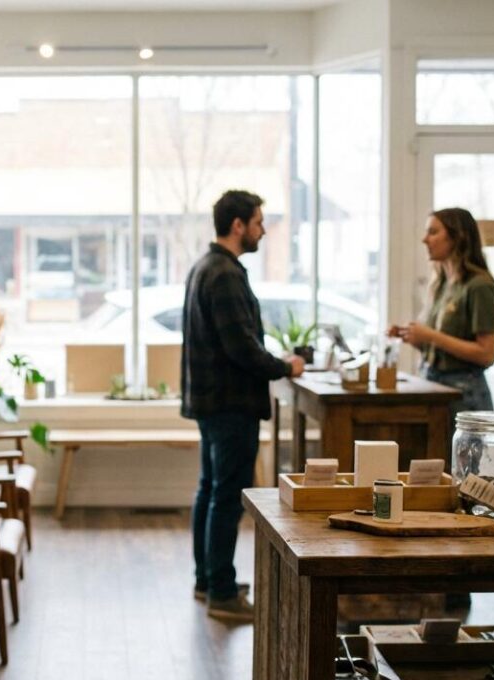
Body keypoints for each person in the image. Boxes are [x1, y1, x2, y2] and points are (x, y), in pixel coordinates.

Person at [181, 190, 305, 623]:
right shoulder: (226, 274)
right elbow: (242, 350)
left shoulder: (204, 267)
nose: (263, 229)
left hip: (209, 400)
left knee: (210, 491)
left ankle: (208, 579)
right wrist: (286, 366)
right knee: (226, 498)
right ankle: (221, 591)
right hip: (230, 403)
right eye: (258, 222)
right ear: (238, 226)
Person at [388, 207, 494, 428]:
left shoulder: (479, 286)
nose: (424, 239)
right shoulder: (441, 284)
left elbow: (487, 354)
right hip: (434, 387)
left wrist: (431, 336)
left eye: (432, 232)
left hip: (464, 397)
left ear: (457, 237)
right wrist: (416, 338)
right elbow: (443, 346)